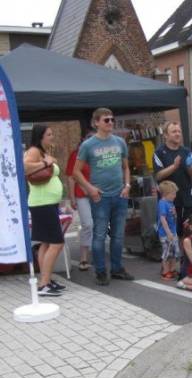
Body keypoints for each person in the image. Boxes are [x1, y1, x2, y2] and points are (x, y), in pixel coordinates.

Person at [73, 107, 134, 286]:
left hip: (120, 195)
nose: (110, 123)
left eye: (112, 119)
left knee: (118, 235)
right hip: (100, 197)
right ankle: (100, 271)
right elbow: (76, 172)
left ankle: (117, 269)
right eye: (106, 120)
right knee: (99, 235)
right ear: (96, 123)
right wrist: (90, 189)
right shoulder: (88, 145)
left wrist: (127, 185)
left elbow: (126, 167)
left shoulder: (120, 142)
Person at [23, 124, 66, 297]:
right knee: (57, 243)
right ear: (40, 136)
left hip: (47, 203)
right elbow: (24, 167)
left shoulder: (42, 151)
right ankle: (43, 285)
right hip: (42, 204)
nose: (52, 137)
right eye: (49, 135)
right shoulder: (34, 151)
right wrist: (45, 162)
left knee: (46, 243)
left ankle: (46, 280)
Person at [153, 121, 192, 237]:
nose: (177, 134)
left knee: (188, 232)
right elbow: (158, 175)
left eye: (179, 131)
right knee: (172, 234)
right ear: (165, 135)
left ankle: (186, 249)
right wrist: (174, 166)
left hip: (187, 198)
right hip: (169, 201)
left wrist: (189, 167)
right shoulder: (159, 152)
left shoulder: (186, 151)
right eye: (174, 132)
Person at [66, 133, 92, 271]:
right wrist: (72, 197)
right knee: (87, 224)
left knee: (98, 224)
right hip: (82, 194)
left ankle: (96, 252)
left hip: (99, 194)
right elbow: (71, 177)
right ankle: (83, 257)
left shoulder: (98, 154)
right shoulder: (76, 154)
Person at [157, 181, 180, 280]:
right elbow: (163, 219)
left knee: (175, 251)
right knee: (167, 252)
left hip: (173, 232)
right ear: (166, 194)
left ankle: (172, 269)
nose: (175, 196)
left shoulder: (170, 202)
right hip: (166, 233)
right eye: (173, 194)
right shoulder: (162, 203)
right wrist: (168, 232)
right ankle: (165, 271)